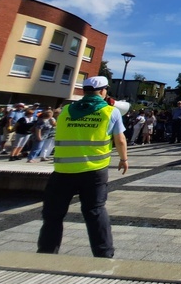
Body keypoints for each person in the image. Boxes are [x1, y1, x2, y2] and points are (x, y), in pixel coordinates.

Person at [37, 76, 128, 258]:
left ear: (84, 91)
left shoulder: (66, 110)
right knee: (95, 212)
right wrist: (123, 159)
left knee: (53, 215)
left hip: (63, 171)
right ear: (103, 91)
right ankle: (103, 254)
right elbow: (120, 139)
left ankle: (46, 252)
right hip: (94, 170)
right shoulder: (110, 112)